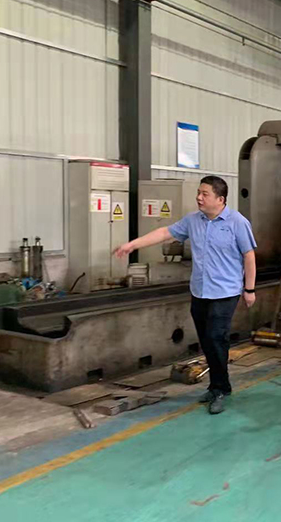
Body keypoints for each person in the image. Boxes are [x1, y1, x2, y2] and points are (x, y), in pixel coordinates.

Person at [114, 176, 256, 415]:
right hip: (200, 291)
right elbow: (164, 232)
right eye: (198, 192)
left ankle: (221, 388)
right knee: (206, 339)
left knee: (216, 337)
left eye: (205, 194)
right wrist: (133, 245)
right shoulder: (193, 220)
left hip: (225, 291)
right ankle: (215, 385)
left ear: (220, 199)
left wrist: (249, 289)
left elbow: (249, 256)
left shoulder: (237, 222)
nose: (199, 197)